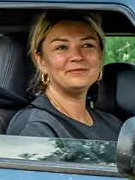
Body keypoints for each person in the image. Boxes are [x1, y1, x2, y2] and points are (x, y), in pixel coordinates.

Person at [6, 11, 123, 140]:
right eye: (61, 47)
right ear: (41, 60)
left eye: (87, 45)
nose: (77, 56)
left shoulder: (113, 124)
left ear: (100, 55)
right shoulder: (34, 127)